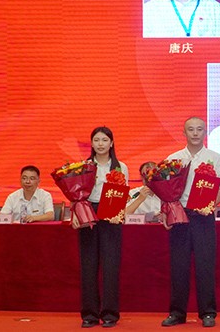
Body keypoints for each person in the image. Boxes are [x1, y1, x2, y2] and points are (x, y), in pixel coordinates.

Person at [161, 117, 220, 328]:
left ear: (205, 132)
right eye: (191, 129)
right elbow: (164, 191)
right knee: (179, 266)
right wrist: (165, 213)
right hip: (179, 215)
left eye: (199, 129)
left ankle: (208, 313)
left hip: (203, 217)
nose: (195, 133)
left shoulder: (214, 158)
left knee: (205, 266)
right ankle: (177, 313)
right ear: (184, 133)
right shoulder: (174, 159)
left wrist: (210, 204)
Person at [76, 127, 129, 328]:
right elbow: (76, 194)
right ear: (91, 143)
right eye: (96, 140)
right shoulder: (84, 166)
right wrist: (76, 214)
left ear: (111, 143)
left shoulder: (120, 167)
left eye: (104, 140)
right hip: (88, 213)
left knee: (110, 266)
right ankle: (89, 315)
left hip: (111, 214)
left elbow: (123, 193)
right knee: (88, 266)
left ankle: (109, 314)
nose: (100, 144)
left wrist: (119, 213)